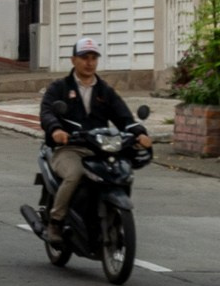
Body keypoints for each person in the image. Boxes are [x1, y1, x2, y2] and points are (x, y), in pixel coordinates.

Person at [37, 37, 149, 240]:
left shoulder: (104, 90)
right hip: (70, 148)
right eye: (84, 57)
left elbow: (123, 116)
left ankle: (109, 217)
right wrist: (56, 130)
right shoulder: (60, 88)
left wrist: (139, 133)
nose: (89, 62)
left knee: (122, 171)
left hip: (101, 148)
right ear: (73, 60)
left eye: (93, 57)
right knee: (74, 174)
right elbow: (47, 112)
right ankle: (56, 221)